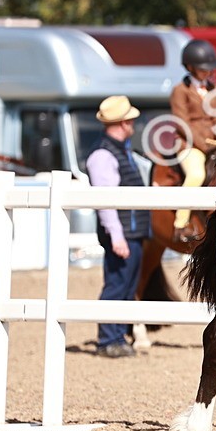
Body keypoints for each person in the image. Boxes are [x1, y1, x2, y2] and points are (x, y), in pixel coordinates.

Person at [85, 96, 151, 358]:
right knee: (116, 285)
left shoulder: (120, 150)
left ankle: (118, 335)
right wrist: (117, 236)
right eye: (131, 119)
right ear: (123, 122)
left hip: (131, 230)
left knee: (126, 285)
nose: (134, 123)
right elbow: (105, 202)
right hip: (123, 232)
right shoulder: (103, 155)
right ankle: (108, 339)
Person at [169, 39, 216, 243]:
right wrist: (205, 143)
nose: (208, 73)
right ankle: (180, 222)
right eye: (203, 69)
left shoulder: (213, 89)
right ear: (190, 67)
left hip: (213, 142)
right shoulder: (179, 91)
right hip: (189, 143)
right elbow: (182, 123)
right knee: (196, 174)